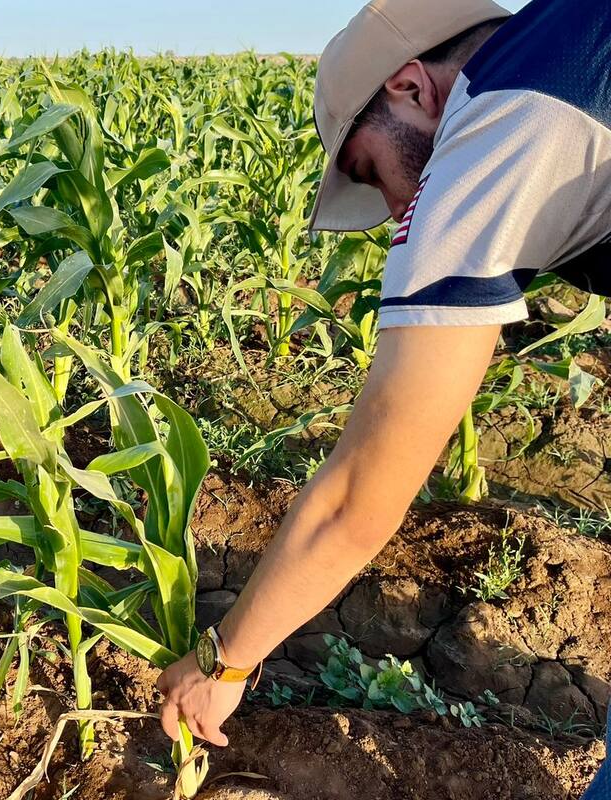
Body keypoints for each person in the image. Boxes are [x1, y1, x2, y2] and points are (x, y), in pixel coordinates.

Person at [156, 0, 611, 796]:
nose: (401, 209)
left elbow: (358, 501)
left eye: (373, 172)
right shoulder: (568, 45)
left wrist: (224, 659)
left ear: (410, 86)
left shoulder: (496, 129)